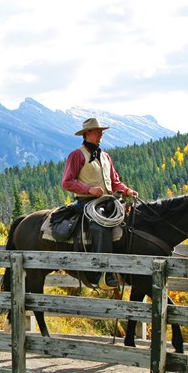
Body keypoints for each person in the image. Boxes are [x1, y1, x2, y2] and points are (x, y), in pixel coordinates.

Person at [61, 118, 139, 282]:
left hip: (108, 201)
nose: (100, 135)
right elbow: (67, 182)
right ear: (87, 133)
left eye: (101, 132)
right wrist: (88, 189)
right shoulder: (77, 155)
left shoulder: (105, 156)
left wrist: (127, 190)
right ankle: (101, 273)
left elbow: (115, 181)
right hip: (87, 202)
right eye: (97, 132)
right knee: (101, 225)